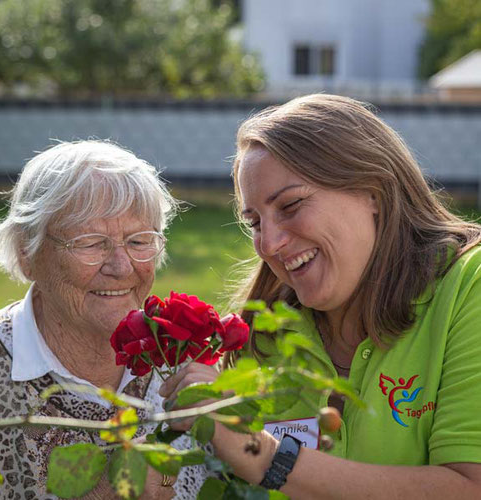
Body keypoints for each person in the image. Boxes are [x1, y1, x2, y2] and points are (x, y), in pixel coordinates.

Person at [159, 94, 481, 499]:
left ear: (373, 192)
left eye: (291, 205)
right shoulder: (264, 335)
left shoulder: (469, 287)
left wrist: (260, 454)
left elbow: (470, 488)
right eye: (255, 222)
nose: (270, 244)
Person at [0, 140, 208, 499]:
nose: (120, 267)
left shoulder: (184, 365)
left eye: (138, 241)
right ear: (28, 254)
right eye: (90, 243)